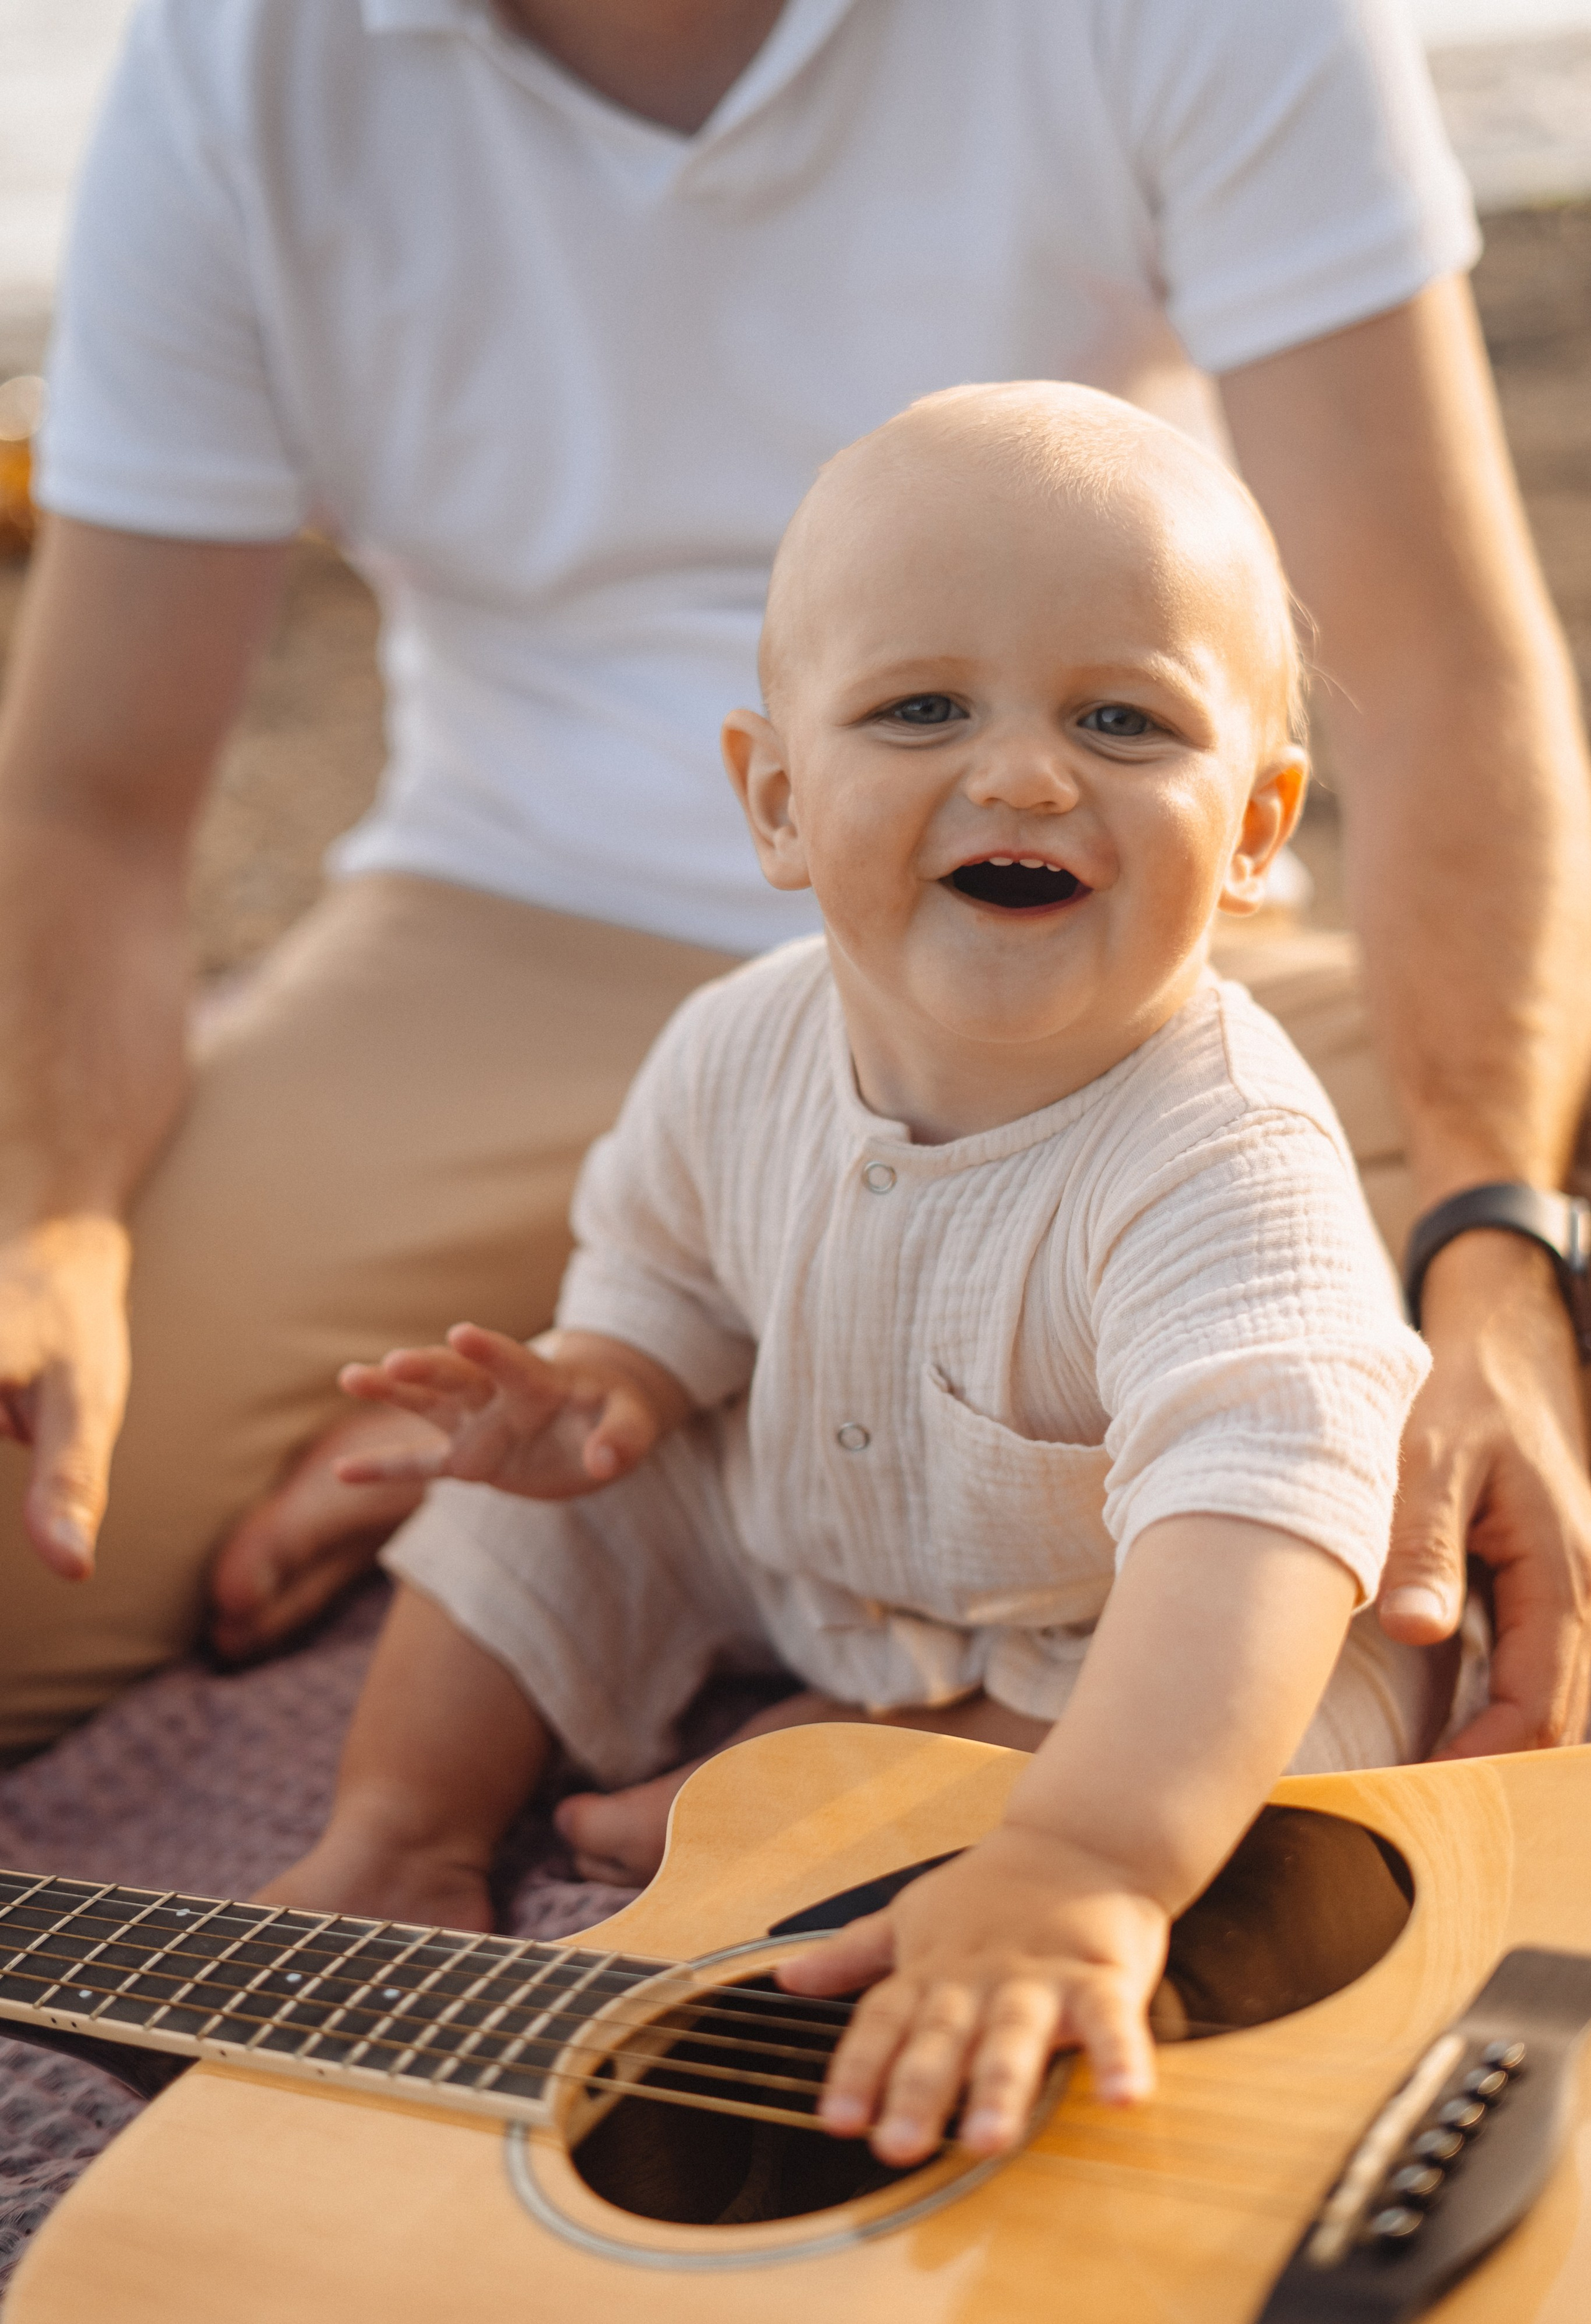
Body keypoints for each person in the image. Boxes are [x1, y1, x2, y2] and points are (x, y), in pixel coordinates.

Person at [0, 0, 1587, 1761]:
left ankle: (872, 1647)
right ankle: (641, 1404)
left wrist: (1502, 1248)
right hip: (497, 926)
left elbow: (1440, 677)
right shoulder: (235, 56)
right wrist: (48, 1219)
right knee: (29, 1521)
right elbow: (87, 803)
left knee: (1394, 1521)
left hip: (1112, 970)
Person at [264, 385, 1441, 2162]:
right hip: (811, 1533)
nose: (1026, 775)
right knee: (532, 1510)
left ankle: (875, 1783)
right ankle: (397, 1836)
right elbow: (665, 1274)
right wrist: (602, 1389)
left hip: (1119, 1618)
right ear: (780, 801)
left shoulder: (1223, 1156)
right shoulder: (733, 1046)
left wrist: (1087, 1860)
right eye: (921, 709)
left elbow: (1258, 1515)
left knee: (1300, 1747)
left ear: (1260, 828)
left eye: (1123, 720)